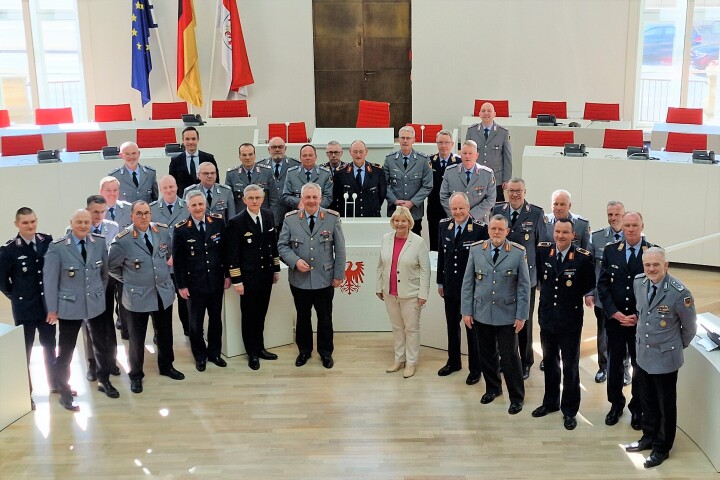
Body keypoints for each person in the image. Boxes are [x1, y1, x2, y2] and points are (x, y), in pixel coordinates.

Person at [624, 247, 696, 469]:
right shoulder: (639, 282)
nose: (651, 269)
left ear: (666, 265)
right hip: (643, 355)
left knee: (665, 405)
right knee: (646, 400)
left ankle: (662, 447)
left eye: (656, 265)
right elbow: (642, 314)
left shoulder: (679, 292)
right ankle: (648, 437)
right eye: (647, 265)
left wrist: (674, 347)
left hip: (666, 359)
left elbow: (690, 328)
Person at [108, 201, 185, 394]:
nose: (144, 217)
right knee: (137, 339)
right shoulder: (122, 240)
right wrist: (130, 280)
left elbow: (166, 254)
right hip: (137, 297)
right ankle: (136, 375)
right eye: (139, 213)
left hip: (162, 293)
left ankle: (167, 366)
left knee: (165, 333)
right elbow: (111, 267)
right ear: (131, 216)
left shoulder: (161, 231)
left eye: (147, 213)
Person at [44, 209, 116, 411]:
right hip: (69, 307)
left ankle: (104, 381)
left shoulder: (99, 242)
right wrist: (52, 309)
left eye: (86, 222)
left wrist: (98, 294)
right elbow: (50, 282)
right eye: (79, 222)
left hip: (95, 305)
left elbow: (104, 274)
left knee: (102, 346)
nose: (84, 226)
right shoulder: (57, 247)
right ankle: (64, 392)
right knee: (66, 351)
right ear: (71, 223)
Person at [461, 214, 529, 415]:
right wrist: (467, 311)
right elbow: (468, 283)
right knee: (486, 354)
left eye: (500, 229)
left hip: (507, 314)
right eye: (493, 229)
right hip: (482, 312)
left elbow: (524, 287)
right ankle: (493, 388)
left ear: (507, 231)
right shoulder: (476, 250)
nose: (496, 233)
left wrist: (521, 315)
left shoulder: (517, 253)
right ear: (488, 229)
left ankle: (516, 397)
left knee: (509, 357)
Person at [531, 218, 595, 430]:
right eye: (557, 231)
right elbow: (539, 278)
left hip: (570, 321)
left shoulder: (583, 258)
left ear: (573, 235)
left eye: (565, 232)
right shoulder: (543, 251)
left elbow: (588, 285)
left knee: (570, 366)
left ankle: (570, 410)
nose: (560, 236)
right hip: (548, 319)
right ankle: (550, 403)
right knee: (549, 363)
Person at [278, 183, 346, 369]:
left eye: (315, 197)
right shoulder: (291, 219)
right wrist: (295, 261)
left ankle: (325, 353)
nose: (311, 201)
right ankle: (304, 351)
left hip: (325, 278)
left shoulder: (332, 218)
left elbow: (340, 250)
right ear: (302, 199)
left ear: (320, 198)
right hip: (299, 280)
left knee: (325, 318)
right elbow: (282, 246)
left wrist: (338, 275)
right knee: (302, 317)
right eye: (307, 197)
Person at [597, 211, 655, 429]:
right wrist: (614, 313)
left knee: (640, 367)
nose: (630, 229)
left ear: (642, 226)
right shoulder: (612, 251)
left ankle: (637, 408)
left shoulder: (652, 252)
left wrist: (639, 315)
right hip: (616, 320)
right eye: (627, 225)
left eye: (635, 225)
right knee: (614, 365)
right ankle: (615, 405)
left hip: (641, 322)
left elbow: (656, 288)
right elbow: (602, 285)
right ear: (622, 226)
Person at [0, 207, 55, 409]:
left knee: (50, 348)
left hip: (46, 308)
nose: (30, 226)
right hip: (25, 309)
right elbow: (3, 282)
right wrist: (17, 297)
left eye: (33, 221)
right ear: (17, 224)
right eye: (25, 223)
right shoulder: (8, 250)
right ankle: (26, 392)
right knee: (26, 353)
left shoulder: (46, 241)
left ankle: (56, 384)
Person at [493, 178, 547, 379]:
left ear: (525, 192)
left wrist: (540, 280)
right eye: (512, 191)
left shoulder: (536, 213)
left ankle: (526, 362)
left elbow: (541, 247)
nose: (515, 194)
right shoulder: (497, 211)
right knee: (503, 320)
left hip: (527, 278)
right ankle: (504, 359)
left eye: (519, 191)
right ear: (506, 191)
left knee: (523, 320)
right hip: (503, 277)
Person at [172, 191, 230, 372]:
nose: (198, 208)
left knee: (215, 320)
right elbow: (178, 260)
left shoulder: (218, 223)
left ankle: (214, 353)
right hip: (194, 284)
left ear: (205, 205)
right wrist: (181, 285)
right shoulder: (181, 229)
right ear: (188, 207)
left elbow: (225, 252)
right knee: (195, 323)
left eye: (200, 204)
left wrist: (227, 275)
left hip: (215, 281)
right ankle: (200, 356)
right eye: (194, 205)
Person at [225, 184, 281, 370]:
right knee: (249, 316)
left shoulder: (268, 215)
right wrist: (237, 280)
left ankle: (261, 347)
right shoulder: (236, 222)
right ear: (244, 200)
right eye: (251, 198)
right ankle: (252, 353)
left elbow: (272, 245)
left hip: (265, 275)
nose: (255, 201)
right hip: (248, 278)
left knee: (262, 313)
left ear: (263, 198)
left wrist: (276, 268)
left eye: (257, 198)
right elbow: (232, 254)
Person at [436, 193, 488, 384]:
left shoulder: (480, 229)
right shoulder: (444, 226)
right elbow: (442, 255)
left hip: (470, 289)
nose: (458, 212)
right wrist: (440, 282)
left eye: (461, 208)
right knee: (452, 326)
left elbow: (483, 262)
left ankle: (475, 368)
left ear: (468, 208)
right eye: (454, 209)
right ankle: (454, 362)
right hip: (449, 286)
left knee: (471, 330)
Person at [375, 206, 431, 379]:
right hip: (390, 292)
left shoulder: (418, 242)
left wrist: (423, 294)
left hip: (411, 294)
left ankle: (411, 362)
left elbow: (425, 270)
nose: (400, 224)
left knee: (411, 329)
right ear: (393, 222)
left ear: (409, 222)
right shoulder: (386, 239)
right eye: (397, 220)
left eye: (403, 220)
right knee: (397, 328)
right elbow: (380, 265)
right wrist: (379, 287)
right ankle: (399, 359)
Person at [587, 200, 629, 384]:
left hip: (626, 298)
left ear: (624, 215)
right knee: (603, 333)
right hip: (603, 296)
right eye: (610, 214)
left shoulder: (634, 236)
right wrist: (589, 292)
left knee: (626, 334)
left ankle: (625, 370)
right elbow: (588, 267)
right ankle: (603, 367)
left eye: (617, 214)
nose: (613, 218)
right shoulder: (596, 238)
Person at [81, 196, 121, 383]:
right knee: (89, 325)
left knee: (107, 322)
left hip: (108, 281)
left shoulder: (112, 227)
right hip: (86, 285)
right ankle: (93, 364)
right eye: (95, 211)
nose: (99, 215)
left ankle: (111, 361)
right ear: (87, 210)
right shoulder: (77, 228)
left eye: (102, 211)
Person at [151, 175, 190, 336]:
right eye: (165, 187)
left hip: (184, 262)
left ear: (177, 187)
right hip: (163, 263)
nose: (169, 190)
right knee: (161, 302)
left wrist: (177, 255)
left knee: (185, 300)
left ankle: (189, 330)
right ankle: (159, 333)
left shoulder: (187, 206)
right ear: (160, 190)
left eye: (171, 186)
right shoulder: (152, 209)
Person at [383, 125, 433, 235]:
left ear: (414, 140)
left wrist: (412, 203)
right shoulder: (390, 159)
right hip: (395, 212)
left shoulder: (423, 160)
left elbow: (427, 186)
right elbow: (384, 184)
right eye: (402, 138)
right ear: (398, 139)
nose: (405, 141)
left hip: (414, 212)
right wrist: (395, 201)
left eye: (408, 138)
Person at [99, 176, 132, 339]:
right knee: (106, 301)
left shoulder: (128, 209)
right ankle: (107, 332)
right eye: (108, 190)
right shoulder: (95, 211)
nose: (112, 194)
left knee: (125, 298)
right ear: (101, 191)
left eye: (115, 190)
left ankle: (126, 330)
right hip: (103, 266)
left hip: (124, 263)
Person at [440, 140, 496, 223]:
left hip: (479, 221)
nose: (467, 156)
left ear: (476, 155)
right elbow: (444, 196)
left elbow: (491, 199)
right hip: (456, 220)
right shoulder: (450, 172)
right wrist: (457, 213)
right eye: (464, 153)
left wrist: (471, 215)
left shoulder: (487, 174)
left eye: (470, 153)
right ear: (460, 155)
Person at [465, 102, 511, 201]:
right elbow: (466, 155)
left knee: (497, 209)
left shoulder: (503, 132)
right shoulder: (471, 131)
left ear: (495, 114)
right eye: (483, 111)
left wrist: (506, 179)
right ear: (479, 114)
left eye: (489, 111)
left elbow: (507, 157)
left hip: (496, 179)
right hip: (476, 177)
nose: (486, 113)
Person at [257, 137, 300, 234]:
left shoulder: (295, 165)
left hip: (289, 214)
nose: (277, 150)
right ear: (269, 150)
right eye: (274, 147)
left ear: (285, 149)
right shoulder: (259, 166)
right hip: (267, 216)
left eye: (280, 147)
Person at [332, 140, 386, 217]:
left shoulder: (377, 171)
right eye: (355, 151)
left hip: (371, 216)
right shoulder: (341, 173)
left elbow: (382, 194)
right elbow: (337, 197)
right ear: (350, 152)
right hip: (349, 217)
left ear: (366, 152)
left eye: (361, 152)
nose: (358, 155)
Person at [427, 130, 461, 251]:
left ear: (452, 144)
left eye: (446, 142)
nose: (443, 146)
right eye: (440, 142)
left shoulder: (459, 162)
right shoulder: (429, 161)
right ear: (436, 144)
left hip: (453, 209)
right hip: (434, 208)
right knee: (435, 242)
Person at [224, 143, 277, 215]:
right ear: (239, 157)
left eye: (250, 154)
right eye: (244, 155)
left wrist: (272, 220)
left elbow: (274, 199)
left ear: (255, 156)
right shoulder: (231, 175)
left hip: (262, 218)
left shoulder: (266, 172)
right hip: (241, 219)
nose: (247, 157)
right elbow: (229, 202)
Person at [282, 144, 334, 213]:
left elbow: (328, 197)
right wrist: (299, 202)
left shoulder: (325, 174)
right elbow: (286, 196)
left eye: (310, 155)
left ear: (316, 157)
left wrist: (314, 207)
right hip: (298, 214)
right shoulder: (291, 173)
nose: (307, 158)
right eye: (304, 155)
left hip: (319, 214)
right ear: (300, 158)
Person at [168, 126, 218, 194]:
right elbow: (172, 184)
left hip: (205, 201)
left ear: (198, 140)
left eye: (193, 139)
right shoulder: (175, 161)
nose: (190, 142)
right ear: (183, 140)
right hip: (184, 201)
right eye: (187, 139)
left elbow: (216, 181)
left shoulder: (209, 158)